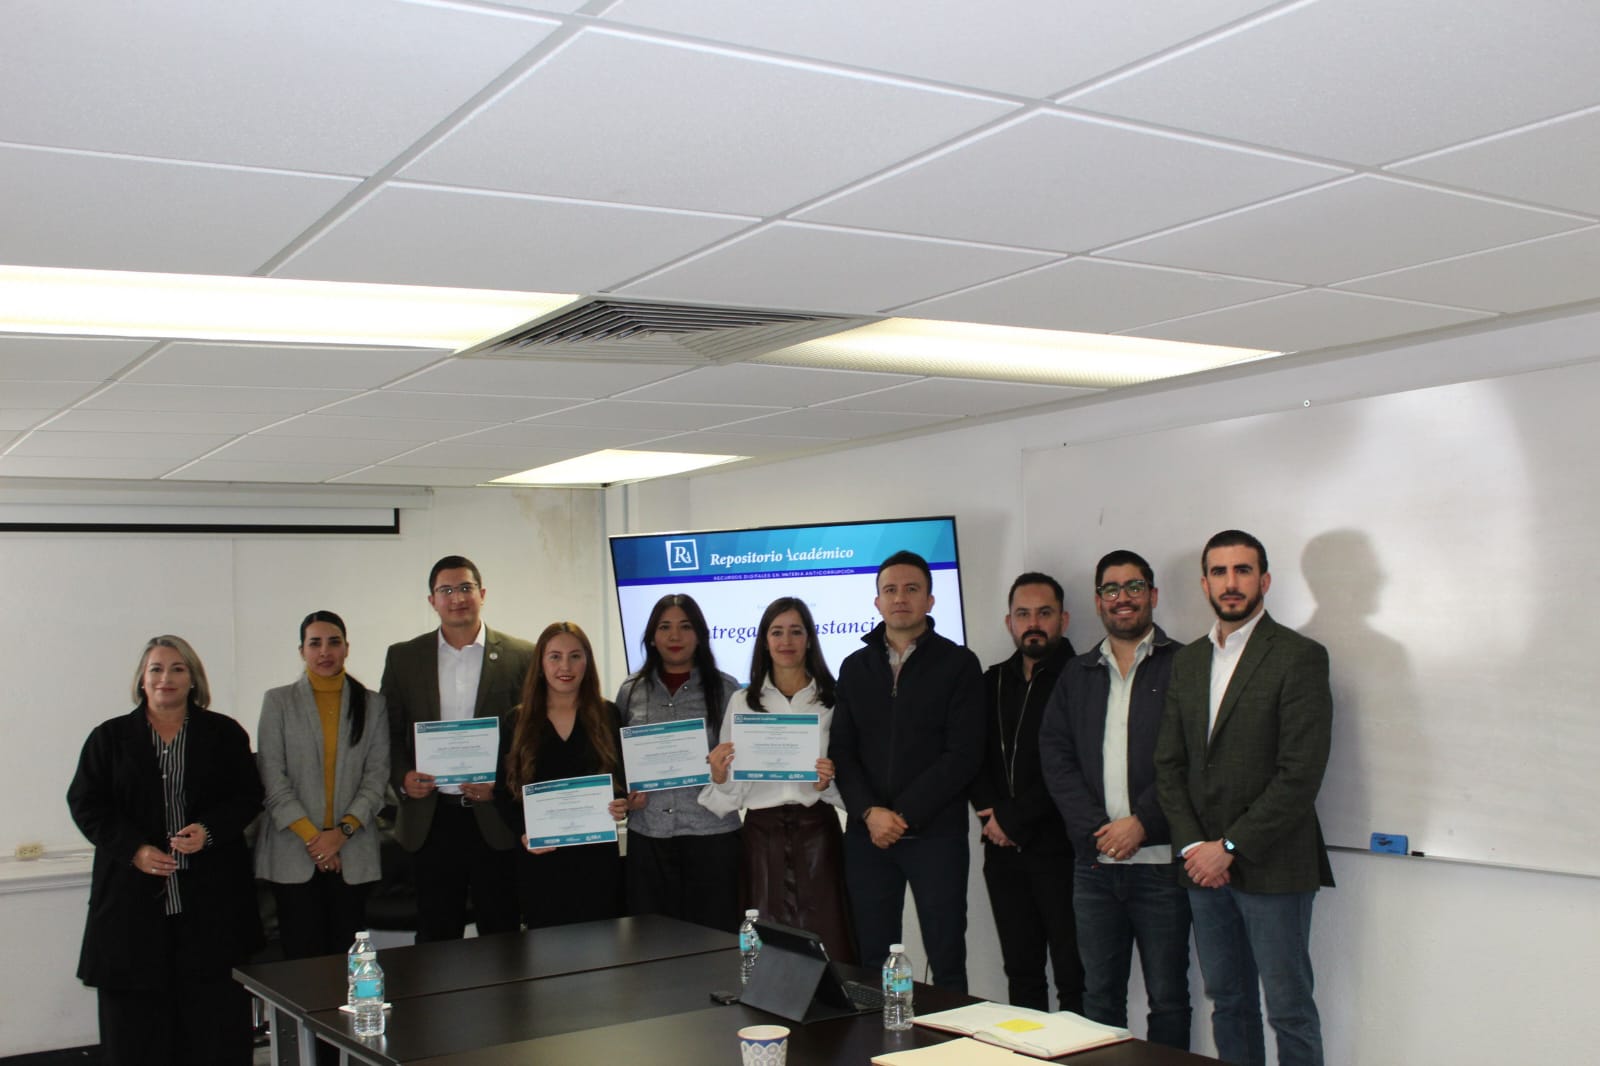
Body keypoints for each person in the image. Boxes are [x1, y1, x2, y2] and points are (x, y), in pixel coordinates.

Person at [1155, 530, 1334, 1066]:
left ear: (1265, 580)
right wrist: (1195, 847)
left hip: (1274, 865)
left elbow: (1299, 775)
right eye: (1219, 572)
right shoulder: (1188, 661)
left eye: (1243, 570)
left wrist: (1228, 847)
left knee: (1289, 1010)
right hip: (1202, 869)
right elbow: (1169, 765)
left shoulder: (1300, 657)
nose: (1230, 583)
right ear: (1205, 583)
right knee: (1229, 1004)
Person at [67, 635, 264, 1066]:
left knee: (214, 1028)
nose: (166, 678)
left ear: (193, 679)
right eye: (156, 669)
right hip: (132, 911)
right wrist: (134, 849)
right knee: (137, 1033)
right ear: (142, 679)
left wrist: (209, 831)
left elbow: (249, 796)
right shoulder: (109, 738)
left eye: (178, 668)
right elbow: (85, 803)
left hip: (211, 909)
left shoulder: (225, 733)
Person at [1040, 551, 1191, 1048]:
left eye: (1133, 587)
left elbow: (1191, 758)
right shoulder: (1077, 673)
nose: (1121, 598)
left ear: (1152, 594)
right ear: (1098, 600)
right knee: (1099, 998)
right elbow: (1056, 756)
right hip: (1095, 867)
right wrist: (1096, 830)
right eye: (1110, 589)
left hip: (1163, 865)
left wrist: (1142, 822)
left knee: (1168, 998)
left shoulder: (1185, 665)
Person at [829, 550, 984, 992]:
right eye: (891, 590)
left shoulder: (959, 664)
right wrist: (869, 812)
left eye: (911, 589)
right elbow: (842, 751)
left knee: (947, 958)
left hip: (936, 835)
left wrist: (901, 815)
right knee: (872, 960)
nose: (900, 598)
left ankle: (951, 1037)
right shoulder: (854, 667)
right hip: (868, 836)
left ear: (930, 601)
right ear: (877, 602)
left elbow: (964, 754)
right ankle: (877, 1035)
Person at [383, 555, 536, 942]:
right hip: (431, 818)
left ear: (482, 594)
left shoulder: (522, 655)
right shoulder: (403, 657)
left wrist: (502, 786)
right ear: (432, 600)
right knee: (436, 935)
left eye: (466, 588)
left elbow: (530, 737)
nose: (457, 598)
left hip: (495, 816)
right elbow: (389, 732)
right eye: (446, 590)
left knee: (501, 932)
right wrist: (403, 777)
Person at [701, 597, 855, 962]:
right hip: (762, 834)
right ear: (765, 641)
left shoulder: (832, 699)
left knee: (830, 940)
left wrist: (827, 783)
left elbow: (851, 780)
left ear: (809, 639)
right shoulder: (743, 701)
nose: (786, 641)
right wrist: (720, 776)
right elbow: (732, 793)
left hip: (818, 832)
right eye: (777, 632)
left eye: (796, 631)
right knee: (767, 946)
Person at [969, 572, 1083, 1013]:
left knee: (1075, 978)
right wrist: (990, 814)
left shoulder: (1083, 677)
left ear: (1063, 620)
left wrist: (1014, 819)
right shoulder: (992, 681)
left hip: (1063, 853)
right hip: (1002, 853)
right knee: (1021, 975)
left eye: (1044, 613)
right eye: (1023, 614)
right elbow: (972, 755)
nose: (1033, 623)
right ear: (1009, 623)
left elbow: (1074, 766)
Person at [255, 611, 391, 963]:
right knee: (301, 966)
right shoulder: (278, 702)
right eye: (314, 643)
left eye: (334, 642)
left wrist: (341, 834)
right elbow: (272, 779)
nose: (324, 651)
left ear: (347, 648)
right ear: (302, 650)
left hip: (352, 851)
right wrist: (317, 842)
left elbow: (376, 778)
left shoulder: (372, 705)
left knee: (347, 964)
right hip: (293, 852)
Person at [615, 593, 743, 932]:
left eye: (685, 627)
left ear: (699, 635)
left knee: (715, 940)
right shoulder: (631, 691)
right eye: (665, 627)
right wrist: (626, 794)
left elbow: (742, 763)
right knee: (653, 942)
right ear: (651, 637)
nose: (675, 636)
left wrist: (721, 772)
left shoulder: (727, 690)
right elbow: (619, 759)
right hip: (649, 836)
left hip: (713, 837)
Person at [498, 622, 627, 928]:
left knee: (602, 948)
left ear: (587, 663)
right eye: (555, 656)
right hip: (541, 860)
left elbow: (621, 782)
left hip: (597, 862)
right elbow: (503, 792)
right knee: (546, 950)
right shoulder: (517, 720)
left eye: (575, 656)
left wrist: (622, 804)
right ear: (541, 664)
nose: (565, 667)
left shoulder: (608, 715)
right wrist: (524, 832)